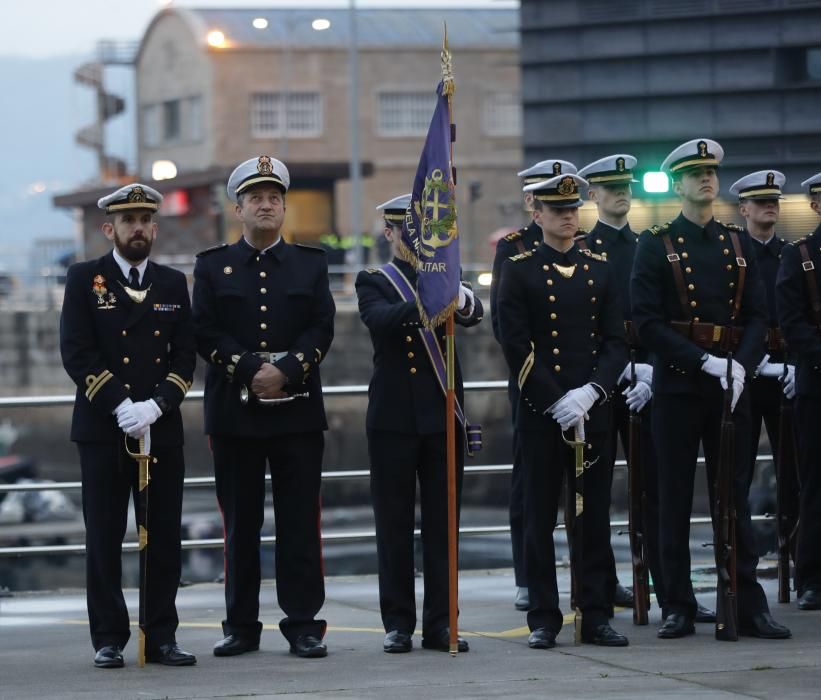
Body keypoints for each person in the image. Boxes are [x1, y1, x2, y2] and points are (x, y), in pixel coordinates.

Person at [631, 139, 790, 640]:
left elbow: (759, 315)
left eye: (710, 172)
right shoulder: (655, 243)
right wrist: (703, 360)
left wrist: (740, 367)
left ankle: (747, 602)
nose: (706, 179)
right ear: (676, 184)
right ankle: (677, 603)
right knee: (675, 497)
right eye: (694, 173)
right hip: (681, 382)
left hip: (730, 384)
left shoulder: (735, 244)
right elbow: (647, 322)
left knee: (734, 498)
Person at [192, 156, 335, 659]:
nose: (267, 205)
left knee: (300, 524)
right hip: (236, 414)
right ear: (239, 208)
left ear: (284, 206)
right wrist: (250, 367)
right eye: (256, 198)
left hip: (297, 413)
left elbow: (322, 326)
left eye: (274, 198)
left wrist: (290, 368)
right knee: (240, 525)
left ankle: (303, 625)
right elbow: (204, 330)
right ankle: (240, 626)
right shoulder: (212, 266)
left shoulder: (310, 263)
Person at [60, 183, 197, 668]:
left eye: (144, 221)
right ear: (109, 229)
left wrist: (156, 407)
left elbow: (185, 355)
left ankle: (161, 635)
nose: (137, 228)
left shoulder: (172, 283)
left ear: (155, 228)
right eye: (127, 221)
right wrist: (120, 404)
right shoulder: (84, 279)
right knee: (103, 535)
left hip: (160, 427)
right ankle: (109, 637)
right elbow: (76, 351)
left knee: (162, 535)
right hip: (103, 428)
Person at [497, 173, 630, 648]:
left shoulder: (600, 266)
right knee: (539, 514)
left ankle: (594, 614)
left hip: (591, 407)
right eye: (557, 210)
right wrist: (556, 401)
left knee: (592, 513)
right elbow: (514, 343)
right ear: (537, 215)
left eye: (573, 209)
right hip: (543, 411)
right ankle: (544, 616)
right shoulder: (520, 267)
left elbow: (616, 340)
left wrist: (592, 392)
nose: (568, 217)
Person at [355, 194, 483, 653]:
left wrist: (458, 293)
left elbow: (474, 315)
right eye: (402, 229)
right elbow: (380, 321)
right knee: (392, 525)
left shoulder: (447, 277)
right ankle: (398, 623)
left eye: (418, 229)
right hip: (392, 419)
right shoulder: (373, 279)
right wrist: (433, 298)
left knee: (443, 526)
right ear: (389, 233)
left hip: (441, 415)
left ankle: (442, 623)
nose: (411, 237)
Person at [490, 158, 577, 612]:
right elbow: (505, 324)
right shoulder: (514, 247)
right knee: (531, 488)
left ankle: (590, 583)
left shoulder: (582, 247)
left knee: (585, 493)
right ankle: (529, 577)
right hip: (532, 383)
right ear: (531, 200)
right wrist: (538, 382)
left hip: (583, 387)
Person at [728, 171, 793, 494]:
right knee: (739, 466)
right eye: (761, 202)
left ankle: (791, 544)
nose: (769, 206)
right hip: (745, 370)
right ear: (744, 209)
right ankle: (741, 545)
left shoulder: (792, 254)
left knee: (792, 468)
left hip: (785, 369)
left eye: (773, 202)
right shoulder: (732, 254)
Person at [775, 171, 821, 611]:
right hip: (818, 381)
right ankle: (812, 577)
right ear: (815, 206)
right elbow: (792, 322)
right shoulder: (801, 255)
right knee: (815, 484)